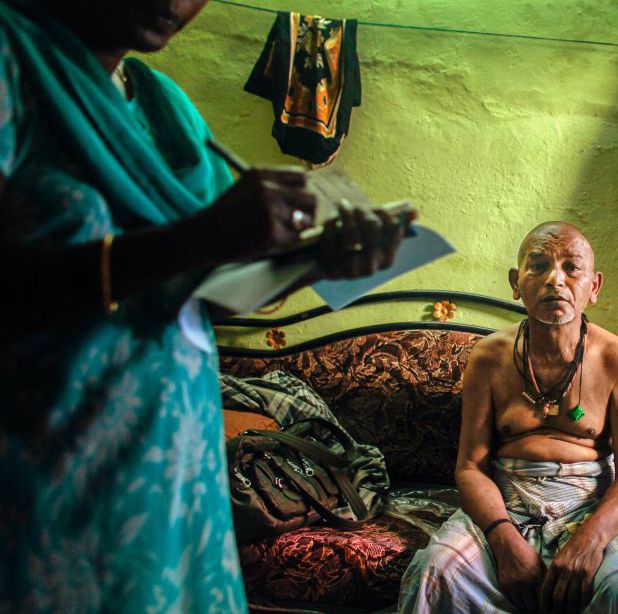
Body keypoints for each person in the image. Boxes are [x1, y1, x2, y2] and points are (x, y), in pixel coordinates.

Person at [0, 1, 404, 611]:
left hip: (171, 464)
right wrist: (198, 237)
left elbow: (203, 293)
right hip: (47, 463)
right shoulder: (11, 63)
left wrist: (322, 263)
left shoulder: (164, 110)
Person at [399, 222, 618, 613]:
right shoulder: (489, 358)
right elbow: (471, 467)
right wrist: (503, 538)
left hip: (589, 506)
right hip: (506, 501)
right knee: (434, 573)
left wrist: (591, 540)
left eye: (572, 268)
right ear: (515, 282)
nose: (555, 280)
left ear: (594, 286)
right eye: (538, 266)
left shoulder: (616, 358)